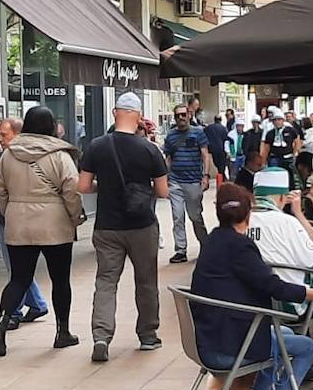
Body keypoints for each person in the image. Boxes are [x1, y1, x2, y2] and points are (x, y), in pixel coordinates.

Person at [190, 184, 313, 390]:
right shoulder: (240, 247)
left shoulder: (214, 241)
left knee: (282, 336)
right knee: (305, 348)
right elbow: (271, 286)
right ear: (248, 213)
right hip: (232, 344)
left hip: (211, 336)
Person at [78, 93, 169, 362]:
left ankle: (102, 336)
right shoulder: (150, 150)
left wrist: (103, 186)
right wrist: (142, 189)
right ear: (139, 116)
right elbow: (163, 192)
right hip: (142, 225)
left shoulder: (96, 146)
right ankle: (148, 336)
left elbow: (82, 186)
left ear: (114, 113)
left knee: (106, 281)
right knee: (146, 280)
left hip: (107, 225)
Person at [0, 105, 83, 356]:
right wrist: (74, 217)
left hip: (19, 223)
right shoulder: (60, 155)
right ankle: (62, 332)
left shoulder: (9, 154)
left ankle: (0, 324)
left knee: (19, 278)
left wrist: (11, 210)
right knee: (60, 280)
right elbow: (72, 190)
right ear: (51, 126)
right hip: (55, 223)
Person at [0, 117, 48, 328]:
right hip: (3, 221)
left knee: (16, 270)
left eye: (4, 135)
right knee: (17, 269)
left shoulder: (30, 159)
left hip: (22, 221)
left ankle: (13, 311)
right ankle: (37, 304)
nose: (0, 140)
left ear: (18, 135)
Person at [248, 168, 313, 295]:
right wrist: (298, 213)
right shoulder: (287, 222)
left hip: (251, 298)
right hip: (289, 299)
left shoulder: (240, 222)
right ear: (282, 198)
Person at [163, 103, 211, 264]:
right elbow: (168, 158)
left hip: (193, 181)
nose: (181, 118)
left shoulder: (198, 133)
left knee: (195, 216)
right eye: (178, 115)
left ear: (189, 115)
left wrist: (205, 176)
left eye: (183, 115)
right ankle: (180, 250)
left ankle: (205, 245)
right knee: (177, 216)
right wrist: (164, 178)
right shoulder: (171, 136)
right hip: (175, 181)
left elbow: (205, 155)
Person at [261, 112, 301, 180]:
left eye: (279, 120)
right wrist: (263, 161)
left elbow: (297, 141)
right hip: (274, 157)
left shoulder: (290, 130)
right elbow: (266, 148)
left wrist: (294, 153)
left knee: (288, 176)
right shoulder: (270, 133)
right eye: (275, 120)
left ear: (283, 120)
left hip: (287, 157)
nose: (277, 122)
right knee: (275, 176)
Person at [204, 113, 231, 182]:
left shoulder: (208, 128)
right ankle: (222, 178)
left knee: (217, 164)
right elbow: (226, 139)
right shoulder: (224, 128)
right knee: (222, 165)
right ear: (221, 120)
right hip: (222, 149)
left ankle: (221, 177)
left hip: (213, 149)